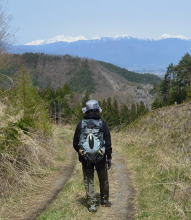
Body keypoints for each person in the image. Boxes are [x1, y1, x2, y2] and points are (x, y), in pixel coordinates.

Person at [73, 99, 112, 212]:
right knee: (103, 178)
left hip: (86, 159)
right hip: (100, 157)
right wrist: (108, 157)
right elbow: (108, 142)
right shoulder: (102, 124)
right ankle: (104, 200)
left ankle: (92, 205)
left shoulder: (81, 124)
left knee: (89, 179)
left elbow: (75, 143)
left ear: (86, 111)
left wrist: (82, 153)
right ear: (97, 110)